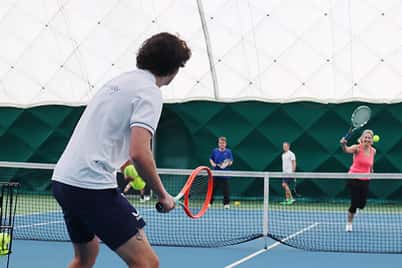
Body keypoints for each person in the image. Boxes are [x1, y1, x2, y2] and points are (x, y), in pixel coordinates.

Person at [51, 32, 191, 268]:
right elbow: (139, 151)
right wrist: (162, 194)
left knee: (84, 258)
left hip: (64, 181)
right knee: (147, 263)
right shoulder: (150, 93)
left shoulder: (118, 82)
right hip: (90, 186)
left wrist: (122, 163)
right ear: (174, 68)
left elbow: (107, 134)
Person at [340, 129, 376, 232]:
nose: (367, 139)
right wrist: (343, 145)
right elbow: (346, 150)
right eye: (366, 137)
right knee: (354, 203)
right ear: (362, 138)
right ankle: (349, 223)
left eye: (369, 138)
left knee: (362, 204)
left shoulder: (373, 151)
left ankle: (356, 207)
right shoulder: (357, 148)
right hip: (353, 178)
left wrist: (372, 170)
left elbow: (371, 163)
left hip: (366, 178)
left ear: (372, 140)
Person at [209, 136, 233, 209]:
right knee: (212, 189)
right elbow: (210, 158)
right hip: (216, 174)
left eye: (223, 143)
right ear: (218, 144)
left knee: (226, 190)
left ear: (225, 144)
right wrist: (212, 163)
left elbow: (231, 161)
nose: (221, 144)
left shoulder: (229, 151)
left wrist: (226, 164)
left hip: (225, 175)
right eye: (220, 143)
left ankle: (226, 204)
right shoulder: (214, 151)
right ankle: (209, 203)